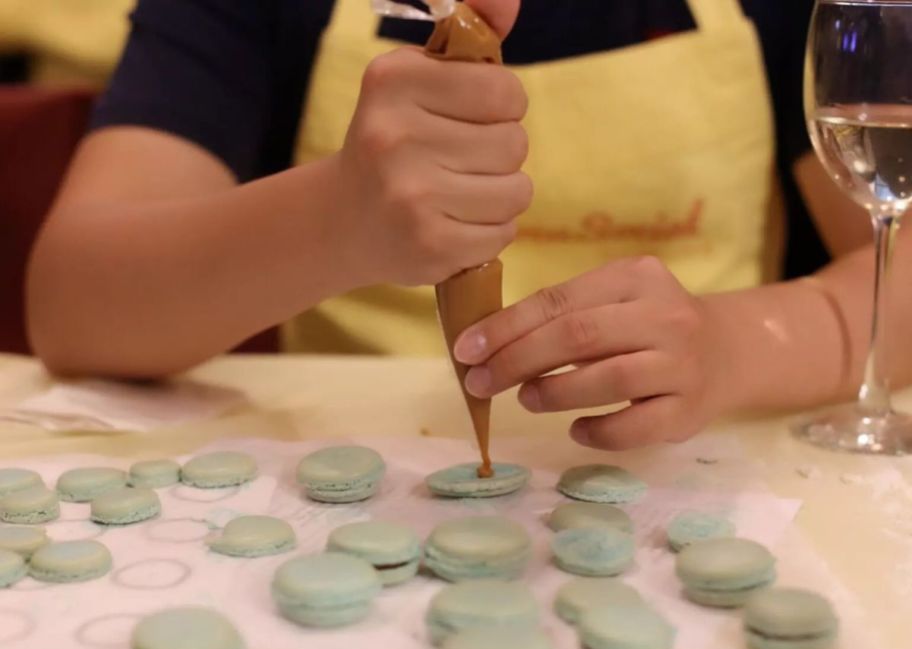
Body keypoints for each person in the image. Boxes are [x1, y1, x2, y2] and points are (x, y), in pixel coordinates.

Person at [25, 0, 912, 450]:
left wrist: (740, 345)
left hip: (698, 470)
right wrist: (331, 220)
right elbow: (74, 306)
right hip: (365, 489)